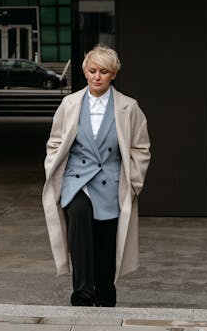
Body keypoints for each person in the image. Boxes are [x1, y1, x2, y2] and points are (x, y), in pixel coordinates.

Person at [42, 44, 151, 307]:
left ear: (113, 74)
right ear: (85, 71)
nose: (97, 76)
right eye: (92, 71)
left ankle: (104, 292)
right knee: (79, 222)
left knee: (105, 241)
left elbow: (141, 147)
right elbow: (55, 141)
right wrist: (53, 169)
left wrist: (134, 182)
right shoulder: (70, 104)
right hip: (76, 180)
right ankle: (82, 292)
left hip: (112, 183)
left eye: (104, 71)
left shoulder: (129, 107)